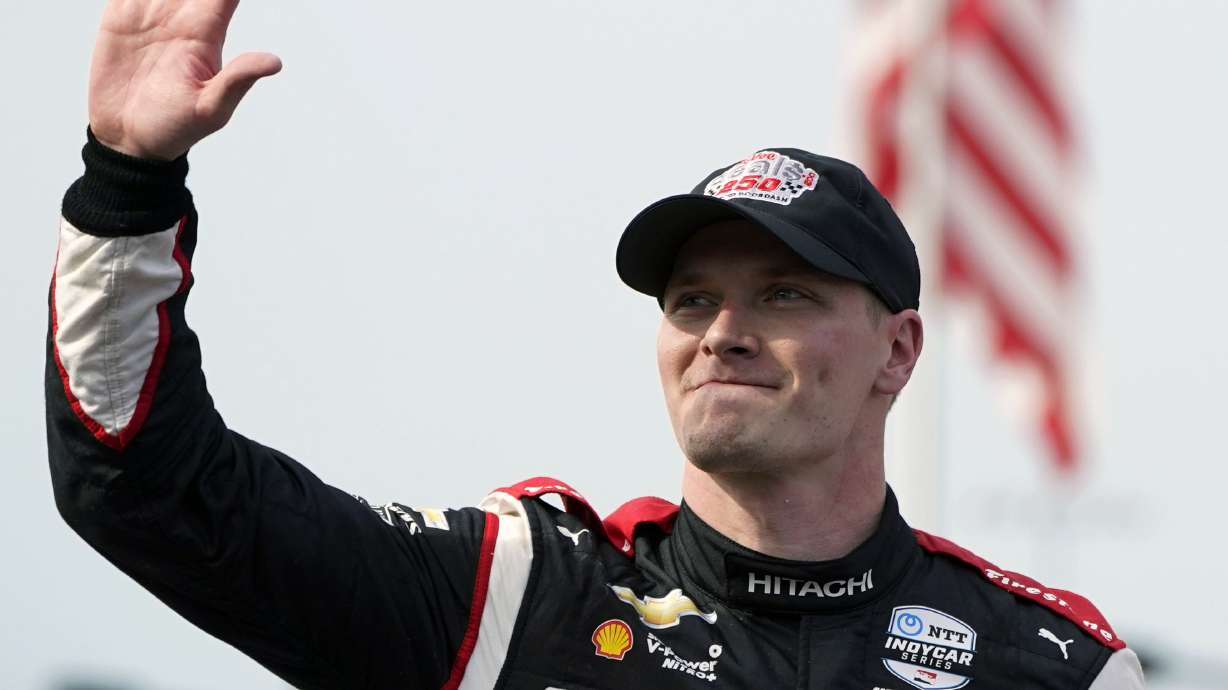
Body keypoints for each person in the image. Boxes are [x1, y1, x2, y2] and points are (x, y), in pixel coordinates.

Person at [46, 1, 1144, 688]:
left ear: (897, 354)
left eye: (782, 295)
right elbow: (146, 486)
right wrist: (129, 183)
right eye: (689, 300)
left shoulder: (1051, 665)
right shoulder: (515, 596)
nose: (721, 332)